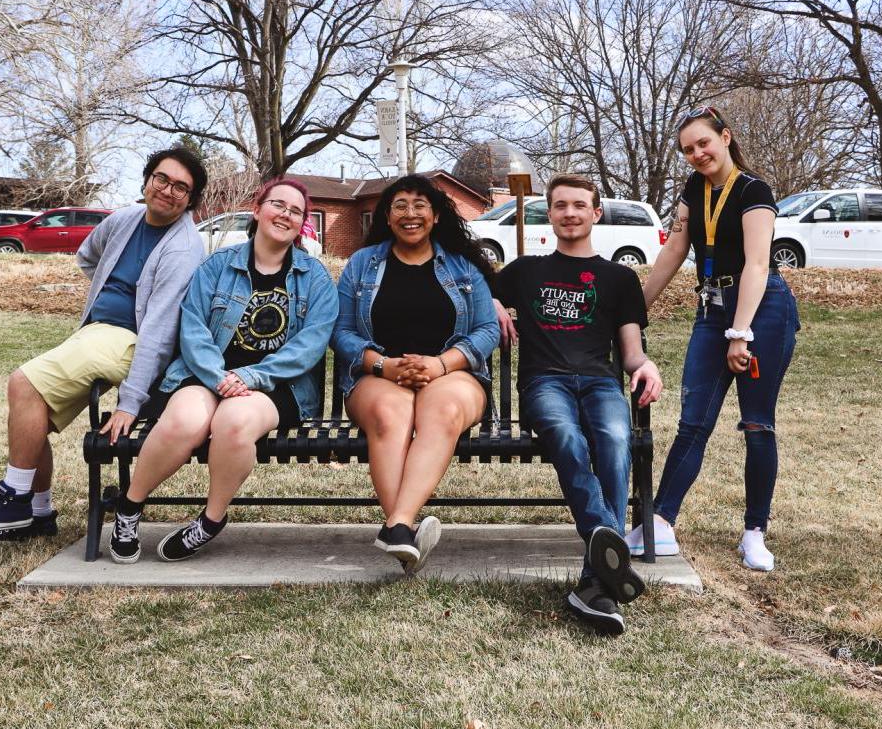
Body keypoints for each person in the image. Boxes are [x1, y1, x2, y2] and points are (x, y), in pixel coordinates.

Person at [0, 148, 208, 544]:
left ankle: (14, 495)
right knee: (32, 403)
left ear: (190, 200)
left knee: (24, 383)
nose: (168, 191)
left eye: (180, 187)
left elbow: (159, 331)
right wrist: (111, 291)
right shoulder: (123, 220)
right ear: (147, 180)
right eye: (162, 179)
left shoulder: (183, 248)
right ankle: (38, 515)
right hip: (95, 333)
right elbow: (88, 257)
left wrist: (130, 402)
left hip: (130, 342)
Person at [107, 178, 337, 564]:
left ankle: (210, 521)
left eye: (296, 211)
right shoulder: (217, 266)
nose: (286, 214)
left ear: (302, 224)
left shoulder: (314, 279)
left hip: (276, 385)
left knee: (233, 422)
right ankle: (129, 508)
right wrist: (218, 376)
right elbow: (193, 328)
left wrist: (250, 377)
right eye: (278, 205)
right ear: (258, 210)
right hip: (206, 373)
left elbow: (310, 346)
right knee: (183, 421)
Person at [629, 105, 799, 572]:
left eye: (703, 143)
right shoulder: (694, 189)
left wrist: (740, 334)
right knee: (693, 421)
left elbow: (758, 266)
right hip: (710, 308)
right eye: (688, 149)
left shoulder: (754, 190)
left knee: (757, 424)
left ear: (725, 137)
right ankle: (660, 521)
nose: (697, 154)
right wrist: (636, 307)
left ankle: (754, 533)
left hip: (762, 310)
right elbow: (674, 249)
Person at [492, 173, 663, 636]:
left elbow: (630, 352)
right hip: (545, 383)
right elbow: (472, 286)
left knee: (613, 437)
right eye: (561, 205)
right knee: (565, 436)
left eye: (579, 205)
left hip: (599, 383)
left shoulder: (620, 278)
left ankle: (596, 579)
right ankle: (607, 553)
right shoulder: (526, 271)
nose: (570, 213)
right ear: (549, 214)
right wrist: (490, 302)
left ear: (595, 212)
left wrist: (645, 367)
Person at [332, 174, 500, 574]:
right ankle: (403, 530)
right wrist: (383, 365)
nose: (410, 214)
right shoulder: (362, 264)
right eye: (400, 206)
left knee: (441, 411)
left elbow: (487, 329)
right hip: (377, 374)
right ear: (387, 217)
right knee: (392, 413)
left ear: (436, 215)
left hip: (451, 372)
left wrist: (440, 364)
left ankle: (397, 526)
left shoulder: (462, 265)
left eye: (420, 205)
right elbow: (341, 331)